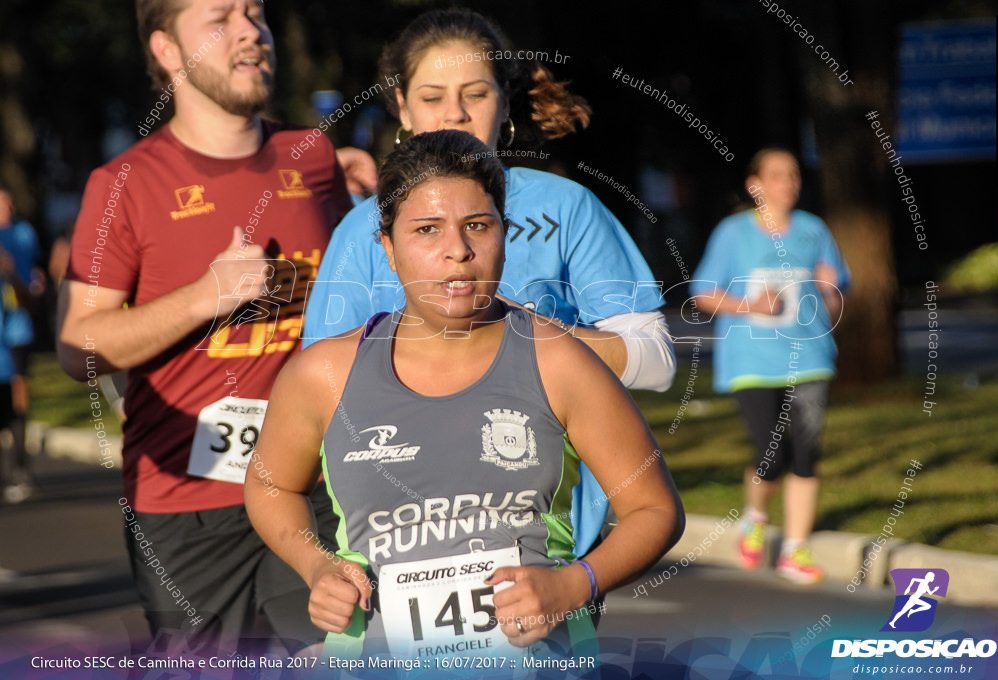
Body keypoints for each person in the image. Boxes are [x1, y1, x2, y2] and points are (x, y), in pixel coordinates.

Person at [246, 129, 684, 664]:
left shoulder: (559, 360)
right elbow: (271, 486)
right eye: (427, 230)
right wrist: (317, 566)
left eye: (478, 225)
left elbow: (654, 508)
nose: (457, 250)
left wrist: (574, 586)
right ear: (387, 247)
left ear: (505, 233)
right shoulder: (323, 374)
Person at [304, 8, 676, 561]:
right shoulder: (364, 228)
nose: (454, 112)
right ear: (402, 107)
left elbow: (659, 362)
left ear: (504, 100)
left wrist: (524, 336)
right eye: (432, 96)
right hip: (397, 545)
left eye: (475, 93)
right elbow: (319, 395)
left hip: (549, 542)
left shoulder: (566, 206)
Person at [57, 0, 365, 654]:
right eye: (220, 20)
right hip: (186, 507)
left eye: (256, 14)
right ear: (168, 51)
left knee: (334, 658)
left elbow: (348, 301)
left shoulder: (310, 158)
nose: (251, 33)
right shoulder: (124, 184)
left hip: (308, 486)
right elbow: (76, 344)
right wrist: (205, 296)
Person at [691, 148, 850, 584]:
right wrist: (749, 304)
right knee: (770, 453)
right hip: (753, 361)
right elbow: (702, 294)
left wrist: (831, 290)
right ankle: (757, 516)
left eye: (794, 174)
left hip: (812, 358)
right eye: (778, 175)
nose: (789, 183)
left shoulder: (815, 231)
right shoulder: (733, 234)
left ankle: (794, 550)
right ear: (754, 185)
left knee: (806, 452)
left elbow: (836, 298)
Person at [0, 188, 45, 505]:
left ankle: (20, 470)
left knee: (17, 400)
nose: (9, 207)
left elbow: (29, 287)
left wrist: (11, 271)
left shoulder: (23, 232)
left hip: (14, 330)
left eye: (10, 201)